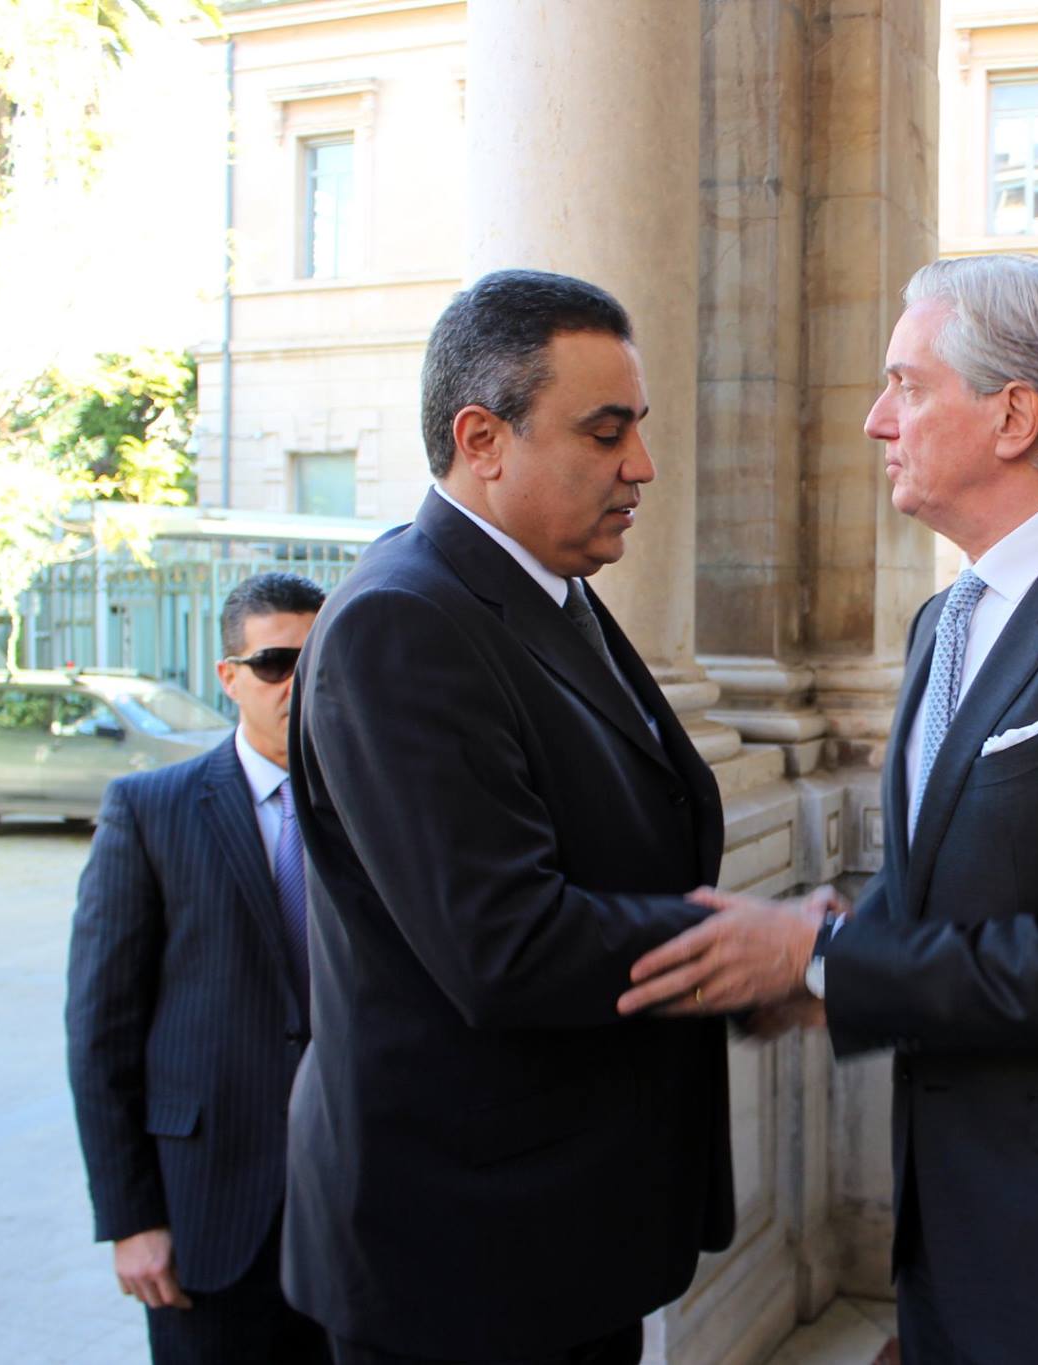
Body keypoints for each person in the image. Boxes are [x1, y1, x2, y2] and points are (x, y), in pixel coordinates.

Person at [620, 253, 1038, 1363]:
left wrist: (823, 964)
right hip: (961, 1207)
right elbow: (961, 886)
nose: (878, 421)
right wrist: (835, 960)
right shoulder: (947, 618)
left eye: (907, 384)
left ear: (1012, 416)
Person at [281, 269, 732, 1365]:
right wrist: (751, 953)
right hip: (463, 1262)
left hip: (560, 1233)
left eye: (639, 429)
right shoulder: (403, 623)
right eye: (605, 431)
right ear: (481, 438)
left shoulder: (549, 588)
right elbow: (504, 945)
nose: (641, 467)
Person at [66, 571, 330, 1365]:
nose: (297, 685)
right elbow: (100, 1030)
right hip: (207, 1216)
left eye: (317, 664)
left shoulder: (379, 810)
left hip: (357, 1215)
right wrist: (130, 1217)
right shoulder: (151, 811)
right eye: (276, 663)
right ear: (229, 677)